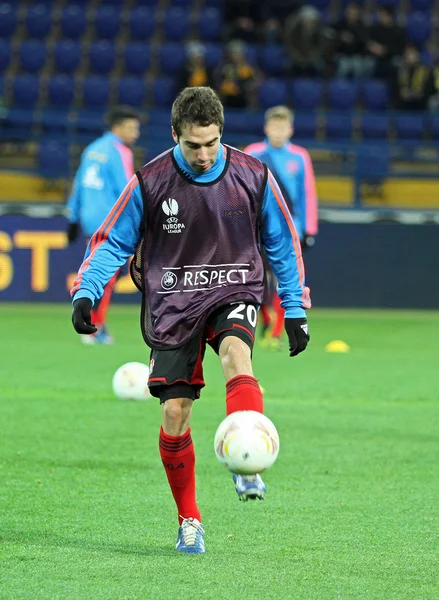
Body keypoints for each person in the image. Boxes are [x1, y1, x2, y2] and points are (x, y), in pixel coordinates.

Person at [70, 87, 311, 554]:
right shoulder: (151, 180)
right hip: (174, 300)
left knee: (238, 356)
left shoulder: (253, 175)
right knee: (175, 413)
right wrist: (87, 290)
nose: (203, 155)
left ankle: (248, 458)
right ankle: (189, 520)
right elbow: (112, 241)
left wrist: (295, 309)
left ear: (222, 133)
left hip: (233, 287)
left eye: (212, 143)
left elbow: (283, 242)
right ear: (175, 134)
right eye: (192, 145)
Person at [66, 105, 140, 344]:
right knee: (106, 276)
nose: (136, 134)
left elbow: (78, 184)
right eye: (132, 128)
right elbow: (126, 189)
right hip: (110, 220)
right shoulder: (120, 151)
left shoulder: (92, 149)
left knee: (100, 272)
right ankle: (95, 326)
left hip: (89, 219)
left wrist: (72, 216)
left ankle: (96, 322)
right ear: (118, 128)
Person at [244, 106, 317, 348]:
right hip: (256, 228)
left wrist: (309, 229)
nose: (278, 131)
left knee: (284, 279)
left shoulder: (299, 157)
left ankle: (275, 331)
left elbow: (307, 194)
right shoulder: (252, 153)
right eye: (274, 127)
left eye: (282, 127)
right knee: (257, 279)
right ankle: (265, 320)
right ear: (266, 128)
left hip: (288, 230)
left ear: (290, 130)